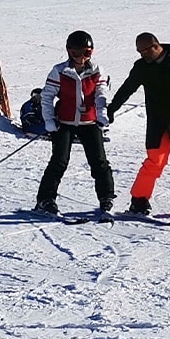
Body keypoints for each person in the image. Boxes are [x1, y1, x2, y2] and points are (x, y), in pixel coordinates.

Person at [107, 33, 170, 217]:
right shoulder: (142, 67)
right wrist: (112, 109)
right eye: (139, 52)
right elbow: (127, 88)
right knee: (154, 162)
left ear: (155, 46)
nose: (142, 55)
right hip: (158, 123)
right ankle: (139, 200)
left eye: (145, 51)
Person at [34, 30, 116, 216]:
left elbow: (101, 94)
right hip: (64, 122)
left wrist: (102, 114)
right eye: (76, 53)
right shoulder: (60, 71)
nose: (81, 58)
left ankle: (106, 197)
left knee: (99, 161)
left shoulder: (97, 70)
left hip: (89, 122)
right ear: (69, 51)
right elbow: (47, 96)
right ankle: (45, 199)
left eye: (86, 53)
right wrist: (49, 120)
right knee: (59, 161)